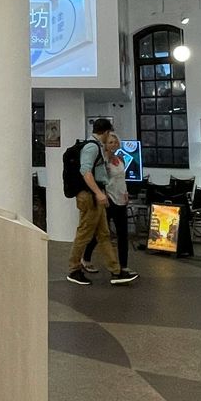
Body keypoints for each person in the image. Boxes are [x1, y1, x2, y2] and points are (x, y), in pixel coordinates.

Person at [67, 117, 137, 287]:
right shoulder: (92, 147)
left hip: (95, 196)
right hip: (90, 196)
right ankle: (74, 269)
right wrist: (99, 193)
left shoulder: (96, 146)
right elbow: (85, 171)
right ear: (105, 132)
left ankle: (116, 271)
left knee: (104, 234)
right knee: (84, 233)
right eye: (109, 135)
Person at [83, 125, 131, 274]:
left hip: (121, 199)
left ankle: (123, 265)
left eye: (115, 142)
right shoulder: (102, 159)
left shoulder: (120, 159)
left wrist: (126, 192)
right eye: (110, 142)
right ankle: (86, 258)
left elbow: (121, 178)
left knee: (123, 234)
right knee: (101, 233)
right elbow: (99, 177)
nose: (113, 145)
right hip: (108, 200)